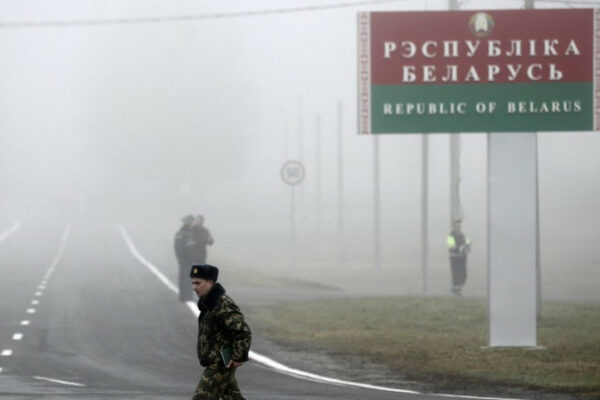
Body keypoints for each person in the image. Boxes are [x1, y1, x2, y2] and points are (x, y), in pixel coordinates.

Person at [190, 264, 251, 400]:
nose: (194, 287)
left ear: (210, 282)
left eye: (198, 283)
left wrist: (237, 356)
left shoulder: (222, 304)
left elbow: (242, 331)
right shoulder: (208, 305)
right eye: (193, 283)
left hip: (220, 365)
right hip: (218, 363)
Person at [446, 220, 471, 296]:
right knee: (456, 274)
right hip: (455, 258)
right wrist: (461, 248)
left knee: (464, 275)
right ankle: (456, 290)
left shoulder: (462, 235)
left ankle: (457, 289)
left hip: (462, 258)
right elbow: (452, 247)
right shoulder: (450, 236)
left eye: (459, 227)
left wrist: (467, 246)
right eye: (456, 227)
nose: (458, 228)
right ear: (453, 227)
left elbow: (467, 242)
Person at [174, 215, 196, 302]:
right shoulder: (181, 233)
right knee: (184, 277)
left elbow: (192, 246)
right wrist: (181, 258)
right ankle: (183, 296)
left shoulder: (189, 233)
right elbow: (178, 247)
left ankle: (188, 295)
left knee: (188, 277)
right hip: (184, 259)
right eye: (191, 222)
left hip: (189, 259)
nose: (192, 224)